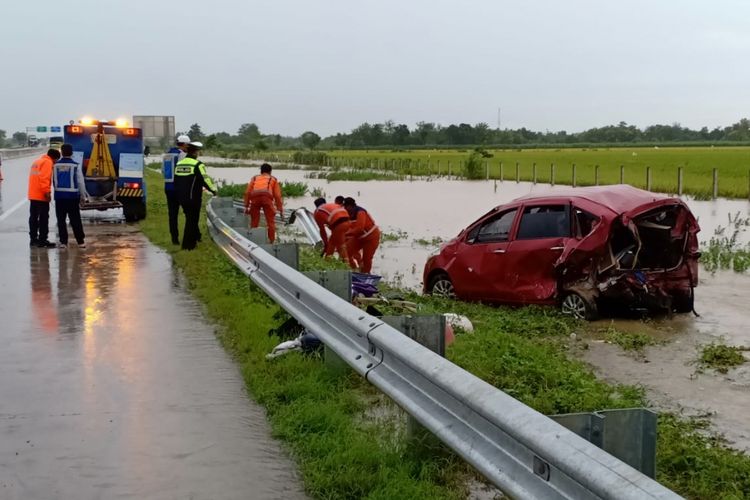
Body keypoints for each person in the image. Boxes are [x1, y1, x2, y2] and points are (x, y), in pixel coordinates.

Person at [173, 142, 217, 250]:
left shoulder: (179, 164)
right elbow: (205, 179)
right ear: (196, 152)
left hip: (181, 198)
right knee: (192, 221)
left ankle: (192, 241)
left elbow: (176, 181)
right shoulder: (198, 165)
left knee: (189, 219)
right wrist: (214, 190)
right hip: (193, 198)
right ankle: (188, 246)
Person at [53, 143, 88, 249]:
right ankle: (80, 242)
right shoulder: (76, 165)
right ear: (72, 153)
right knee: (75, 219)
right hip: (72, 197)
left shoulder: (55, 166)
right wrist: (83, 196)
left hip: (59, 197)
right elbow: (80, 182)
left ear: (61, 153)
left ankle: (63, 242)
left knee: (61, 220)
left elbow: (54, 181)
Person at [28, 149, 61, 248]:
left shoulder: (37, 161)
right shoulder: (48, 162)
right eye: (56, 160)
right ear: (54, 158)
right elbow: (44, 178)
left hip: (33, 194)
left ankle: (33, 239)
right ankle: (43, 240)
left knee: (33, 218)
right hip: (41, 195)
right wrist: (47, 193)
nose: (55, 163)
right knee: (43, 218)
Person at [244, 163, 283, 243]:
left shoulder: (255, 178)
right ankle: (271, 241)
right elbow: (277, 195)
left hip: (255, 198)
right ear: (270, 172)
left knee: (254, 221)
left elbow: (247, 192)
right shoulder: (273, 179)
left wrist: (246, 206)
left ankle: (253, 240)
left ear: (261, 171)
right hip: (267, 198)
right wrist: (280, 209)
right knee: (270, 221)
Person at [163, 134, 191, 244]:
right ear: (184, 145)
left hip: (168, 188)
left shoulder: (166, 155)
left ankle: (174, 239)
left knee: (172, 215)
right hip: (180, 189)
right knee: (189, 213)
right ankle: (191, 237)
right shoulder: (182, 155)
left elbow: (163, 171)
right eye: (188, 145)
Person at [344, 197, 381, 273]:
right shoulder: (347, 213)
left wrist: (346, 233)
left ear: (350, 206)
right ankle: (353, 270)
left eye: (345, 207)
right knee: (345, 252)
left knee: (366, 259)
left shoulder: (360, 212)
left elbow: (359, 229)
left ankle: (365, 275)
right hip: (358, 237)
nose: (344, 208)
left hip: (371, 237)